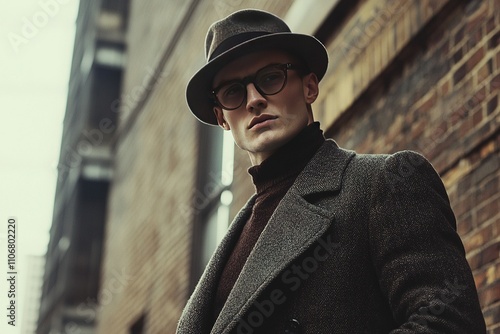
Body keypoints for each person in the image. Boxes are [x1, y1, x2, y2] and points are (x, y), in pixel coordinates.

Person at [177, 8, 486, 334]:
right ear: (222, 117)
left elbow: (450, 323)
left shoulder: (386, 182)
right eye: (233, 92)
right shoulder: (231, 243)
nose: (253, 100)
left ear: (309, 87)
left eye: (270, 78)